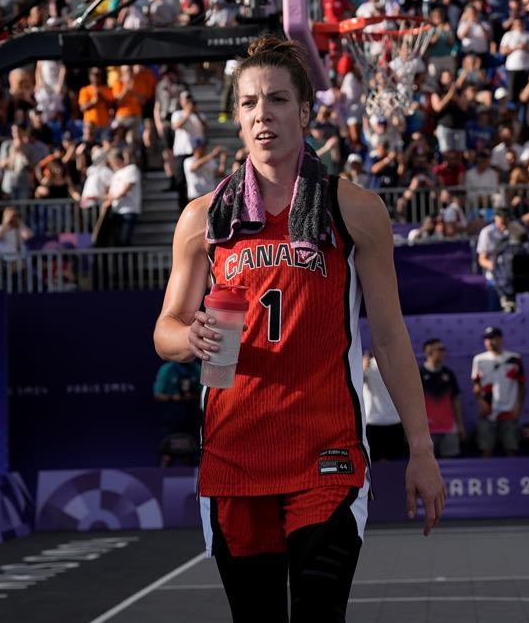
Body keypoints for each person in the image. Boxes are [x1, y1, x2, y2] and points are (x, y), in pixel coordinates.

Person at [152, 36, 444, 623]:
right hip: (235, 453)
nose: (264, 115)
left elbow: (388, 337)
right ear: (236, 117)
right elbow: (165, 330)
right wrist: (193, 339)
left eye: (278, 100)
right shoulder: (201, 218)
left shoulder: (354, 208)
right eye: (250, 103)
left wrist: (421, 448)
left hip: (324, 450)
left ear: (305, 112)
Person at [471, 326, 525, 457]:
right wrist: (480, 402)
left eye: (492, 338)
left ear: (500, 339)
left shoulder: (514, 358)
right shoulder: (479, 359)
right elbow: (476, 384)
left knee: (511, 447)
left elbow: (522, 384)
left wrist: (518, 405)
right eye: (487, 339)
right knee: (486, 447)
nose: (489, 342)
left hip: (509, 409)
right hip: (488, 410)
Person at [420, 338, 464, 459]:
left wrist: (460, 425)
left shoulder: (449, 374)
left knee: (451, 465)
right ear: (429, 352)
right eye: (440, 349)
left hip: (449, 429)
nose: (444, 352)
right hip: (426, 431)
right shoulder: (418, 373)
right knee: (427, 465)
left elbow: (455, 399)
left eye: (444, 349)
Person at [153, 360, 202, 467]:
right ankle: (160, 481)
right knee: (167, 455)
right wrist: (173, 398)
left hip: (191, 416)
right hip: (172, 417)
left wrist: (192, 397)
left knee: (188, 455)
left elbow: (203, 393)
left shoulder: (197, 368)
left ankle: (191, 483)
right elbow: (157, 394)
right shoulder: (167, 369)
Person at [362, 352, 408, 461]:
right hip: (377, 423)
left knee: (391, 463)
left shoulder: (399, 366)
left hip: (389, 422)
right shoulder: (367, 365)